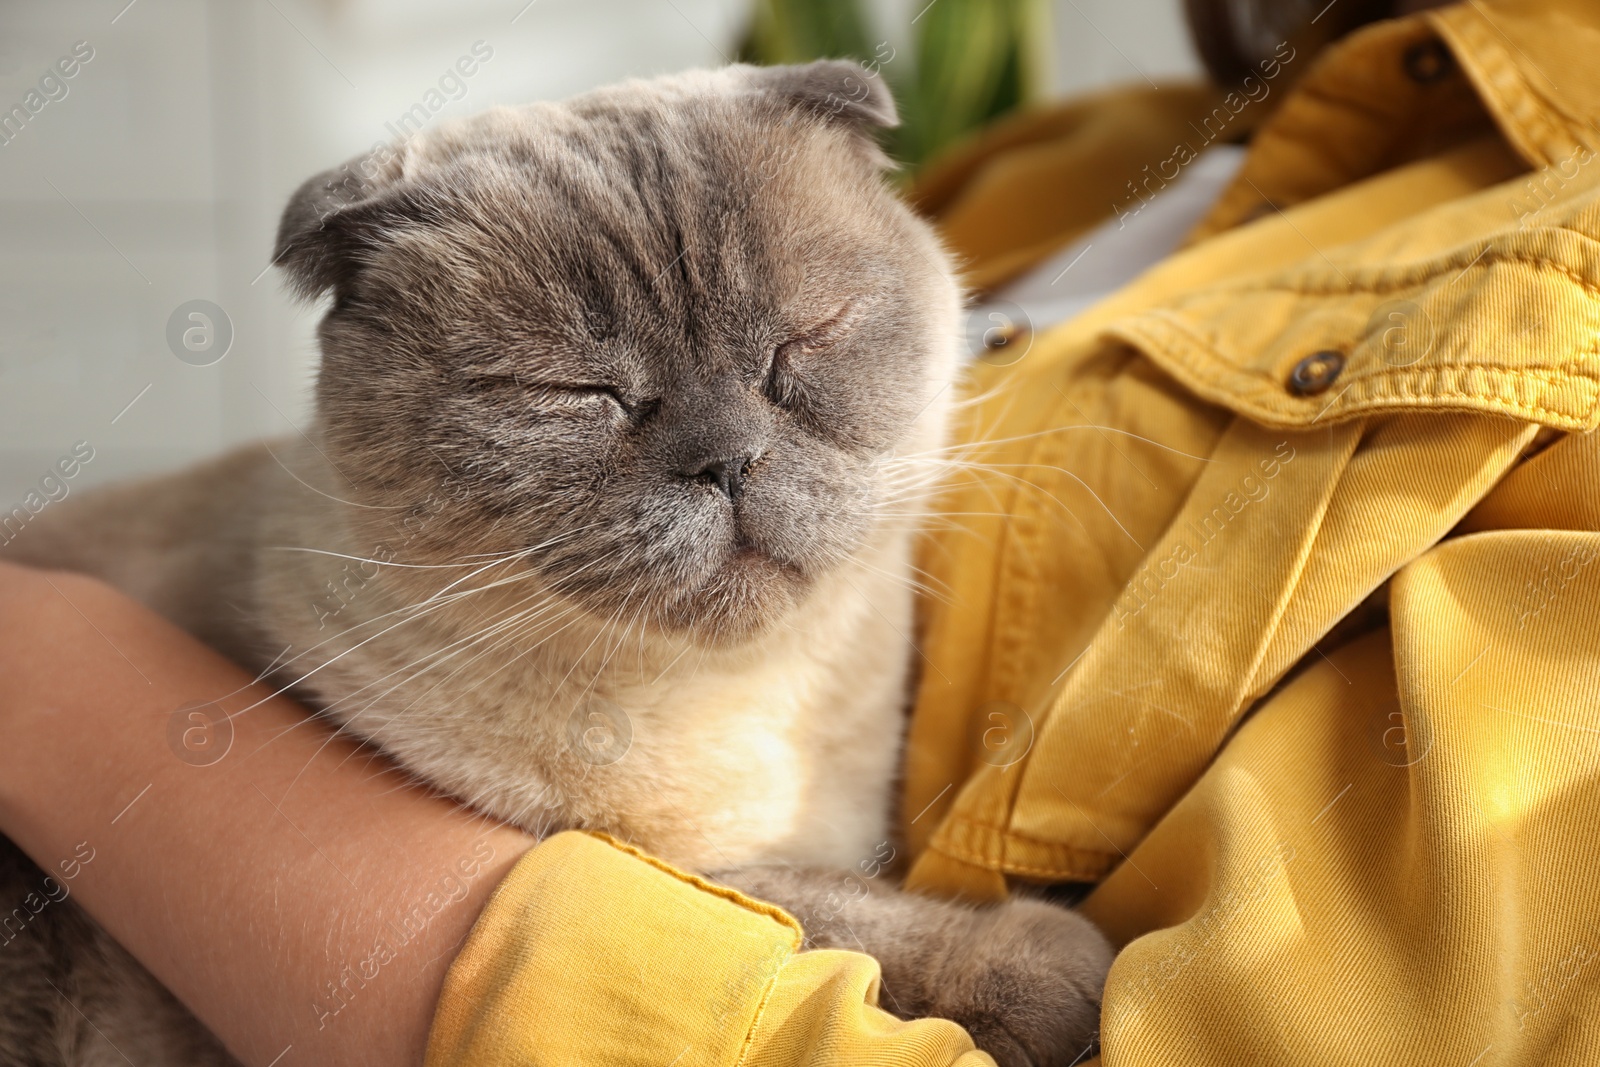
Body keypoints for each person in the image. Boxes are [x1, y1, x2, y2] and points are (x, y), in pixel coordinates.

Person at [3, 0, 1598, 1063]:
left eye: (804, 357)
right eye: (577, 395)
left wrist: (54, 689)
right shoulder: (1092, 151)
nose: (725, 456)